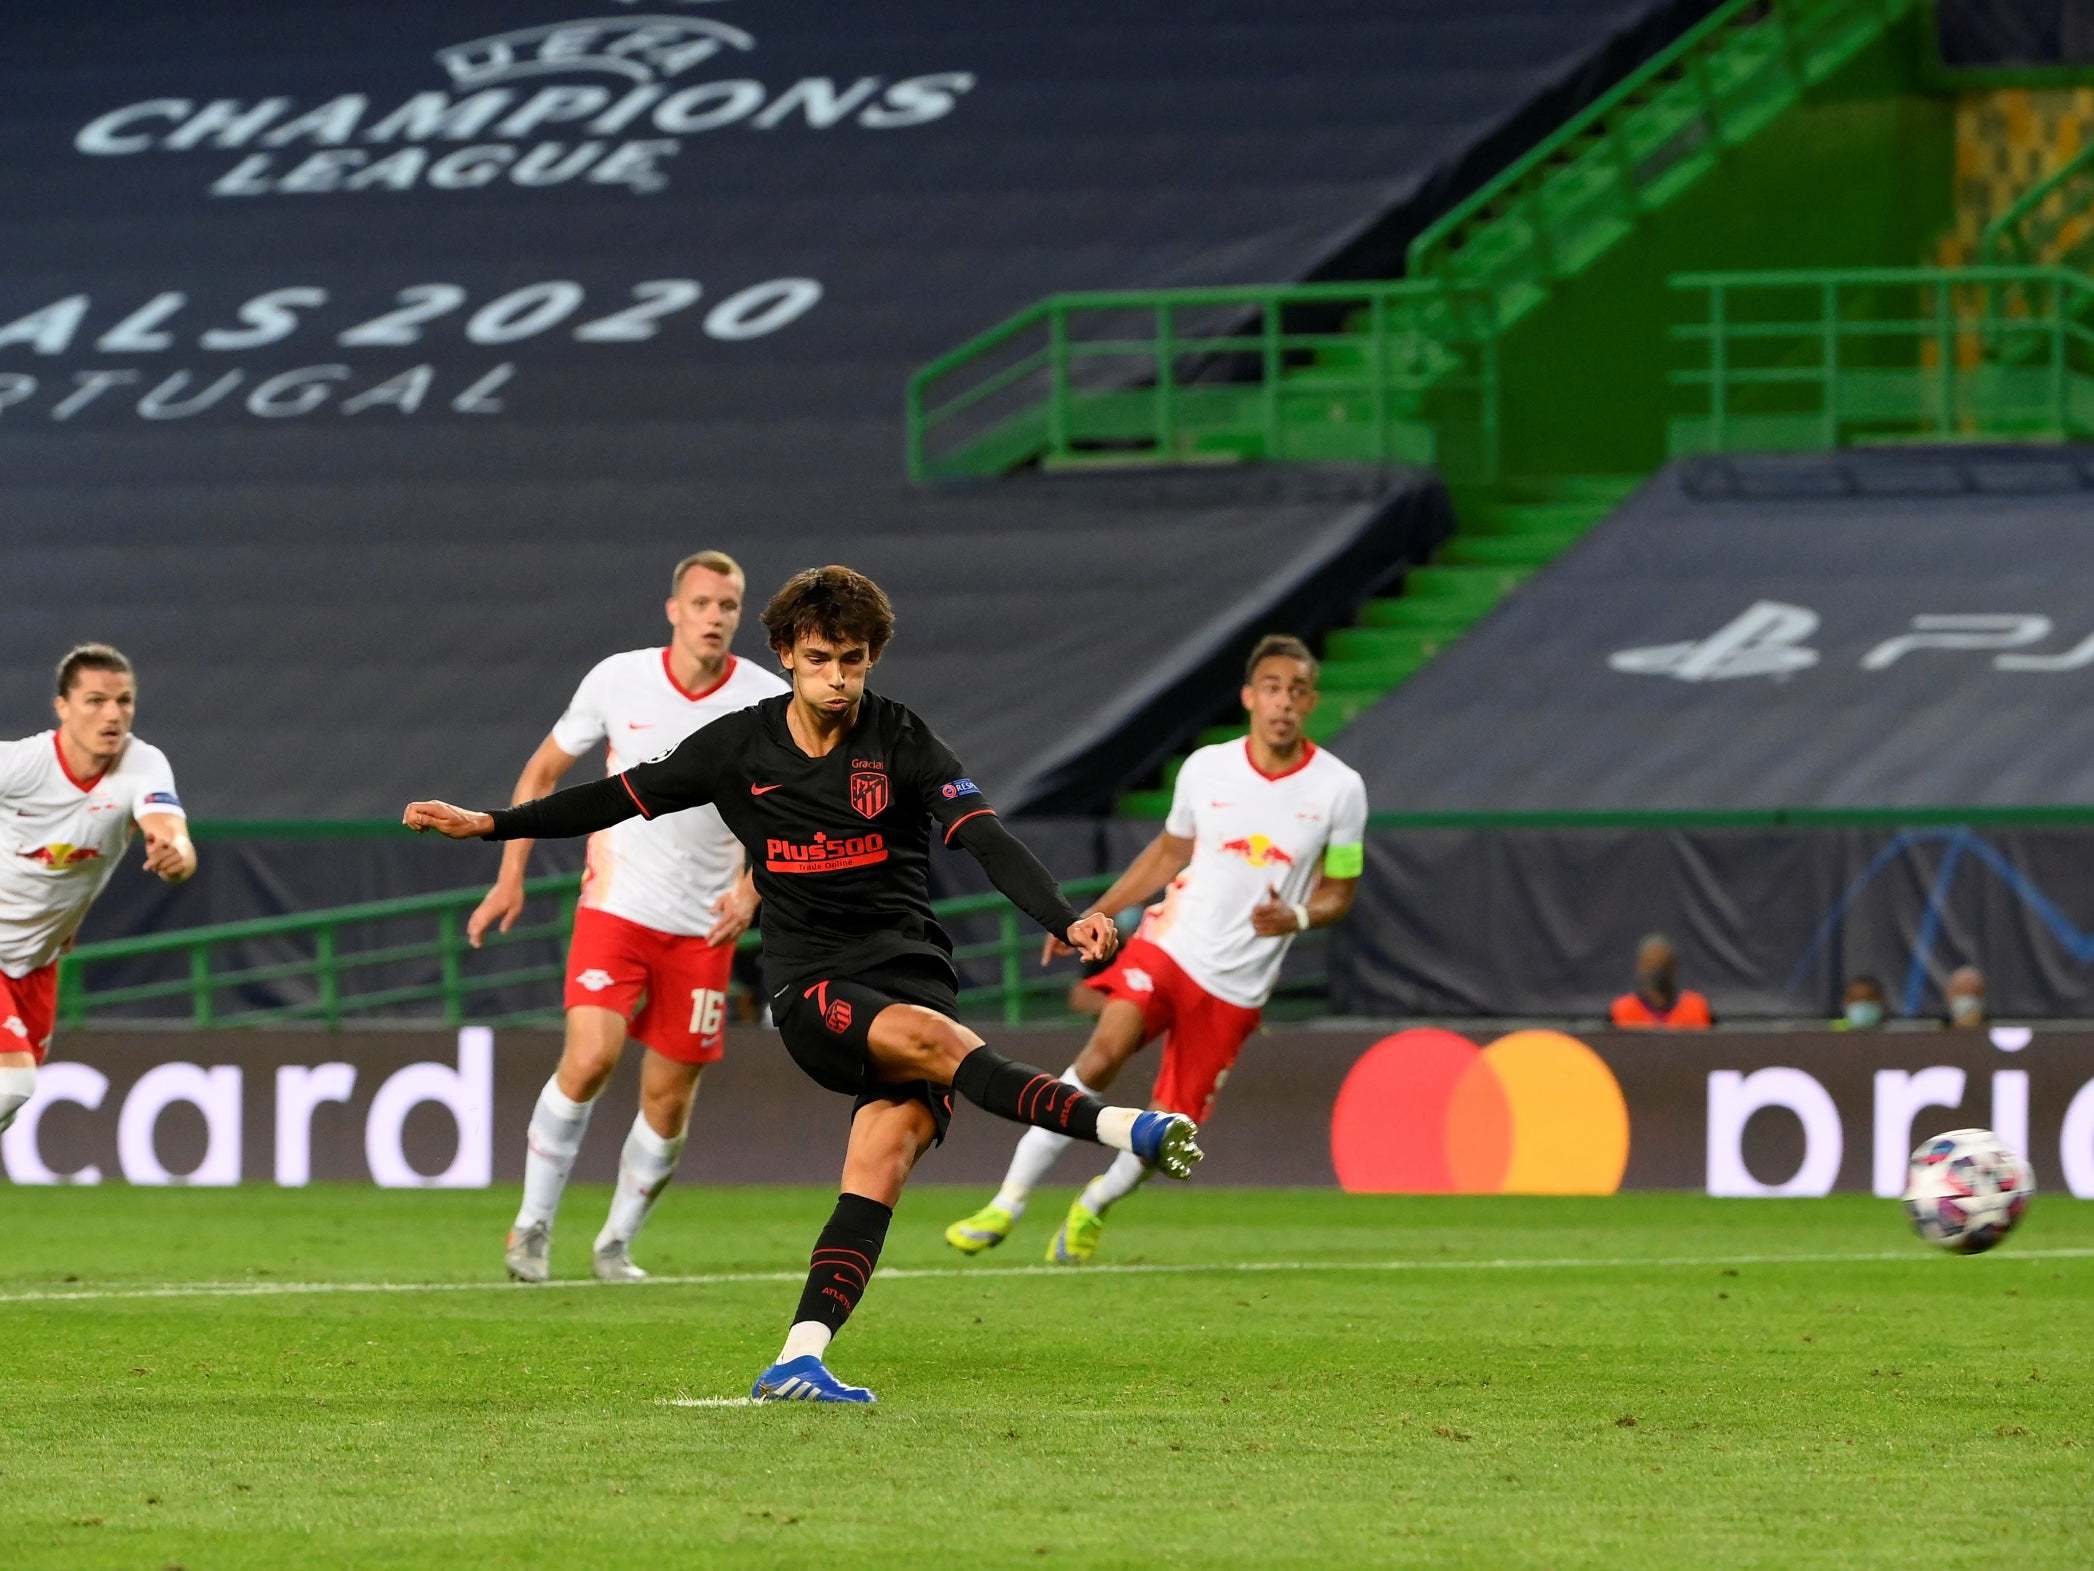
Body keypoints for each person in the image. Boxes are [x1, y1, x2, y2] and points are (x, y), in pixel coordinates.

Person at [405, 565, 1200, 1404]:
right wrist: (492, 824)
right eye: (820, 658)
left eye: (854, 660)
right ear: (786, 653)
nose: (837, 677)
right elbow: (614, 798)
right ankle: (1124, 1126)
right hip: (815, 985)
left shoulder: (900, 738)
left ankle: (799, 1355)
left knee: (883, 1159)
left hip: (911, 968)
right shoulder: (737, 745)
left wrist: (1060, 915)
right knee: (934, 1045)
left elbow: (985, 833)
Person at [946, 634, 1367, 1264]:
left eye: (1296, 691)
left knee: (1173, 1128)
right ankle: (1006, 1202)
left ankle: (1094, 1203)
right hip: (1172, 945)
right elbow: (1170, 853)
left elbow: (1341, 891)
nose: (1283, 703)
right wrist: (1093, 916)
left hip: (1238, 987)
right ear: (1250, 697)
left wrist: (1300, 915)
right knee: (1102, 1054)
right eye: (1272, 689)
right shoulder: (1207, 768)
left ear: (1311, 702)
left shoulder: (1339, 789)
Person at [468, 551, 787, 1285]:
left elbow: (788, 812)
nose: (714, 616)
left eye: (727, 606)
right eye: (702, 603)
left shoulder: (766, 701)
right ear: (673, 609)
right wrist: (510, 874)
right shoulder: (619, 678)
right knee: (590, 1058)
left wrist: (751, 888)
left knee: (668, 1099)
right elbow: (543, 771)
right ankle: (533, 1225)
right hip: (618, 904)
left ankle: (614, 1242)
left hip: (705, 924)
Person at [1, 644, 195, 1134]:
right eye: (95, 701)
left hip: (34, 964)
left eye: (124, 701)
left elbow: (170, 831)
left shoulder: (142, 764)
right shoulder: (19, 765)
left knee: (6, 1107)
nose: (113, 714)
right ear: (62, 707)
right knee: (12, 1085)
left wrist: (174, 853)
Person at [1608, 934, 1712, 1028]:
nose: (1656, 970)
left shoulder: (1695, 1006)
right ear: (1639, 967)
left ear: (1673, 967)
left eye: (1662, 964)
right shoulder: (1623, 1009)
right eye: (1650, 964)